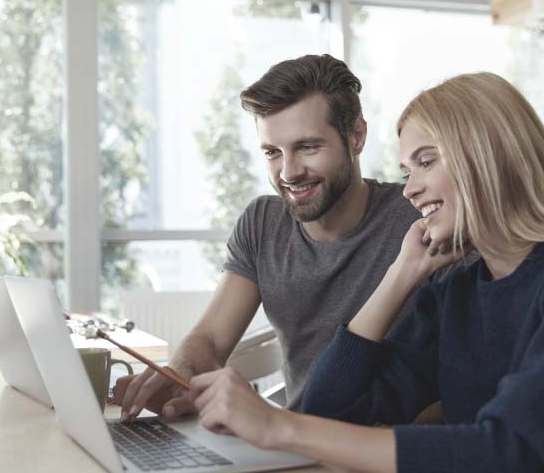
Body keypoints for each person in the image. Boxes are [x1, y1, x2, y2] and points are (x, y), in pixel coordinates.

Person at [187, 72, 544, 473]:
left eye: (426, 162)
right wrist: (401, 274)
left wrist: (280, 427)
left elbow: (518, 453)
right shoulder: (459, 287)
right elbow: (333, 409)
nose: (411, 189)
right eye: (407, 170)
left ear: (488, 155)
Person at [115, 54, 420, 420]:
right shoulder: (263, 222)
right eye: (273, 152)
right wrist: (181, 372)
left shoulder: (416, 219)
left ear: (356, 137)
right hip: (288, 444)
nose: (288, 172)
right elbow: (210, 339)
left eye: (308, 147)